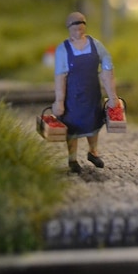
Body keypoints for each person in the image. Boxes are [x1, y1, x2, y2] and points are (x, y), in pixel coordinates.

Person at [52, 12, 119, 174]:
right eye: (75, 30)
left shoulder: (96, 45)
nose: (78, 33)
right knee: (72, 128)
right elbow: (60, 76)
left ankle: (93, 152)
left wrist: (112, 95)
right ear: (69, 29)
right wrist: (59, 101)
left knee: (93, 123)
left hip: (92, 94)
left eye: (81, 30)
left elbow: (108, 68)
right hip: (72, 97)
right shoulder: (63, 50)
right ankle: (72, 159)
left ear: (85, 27)